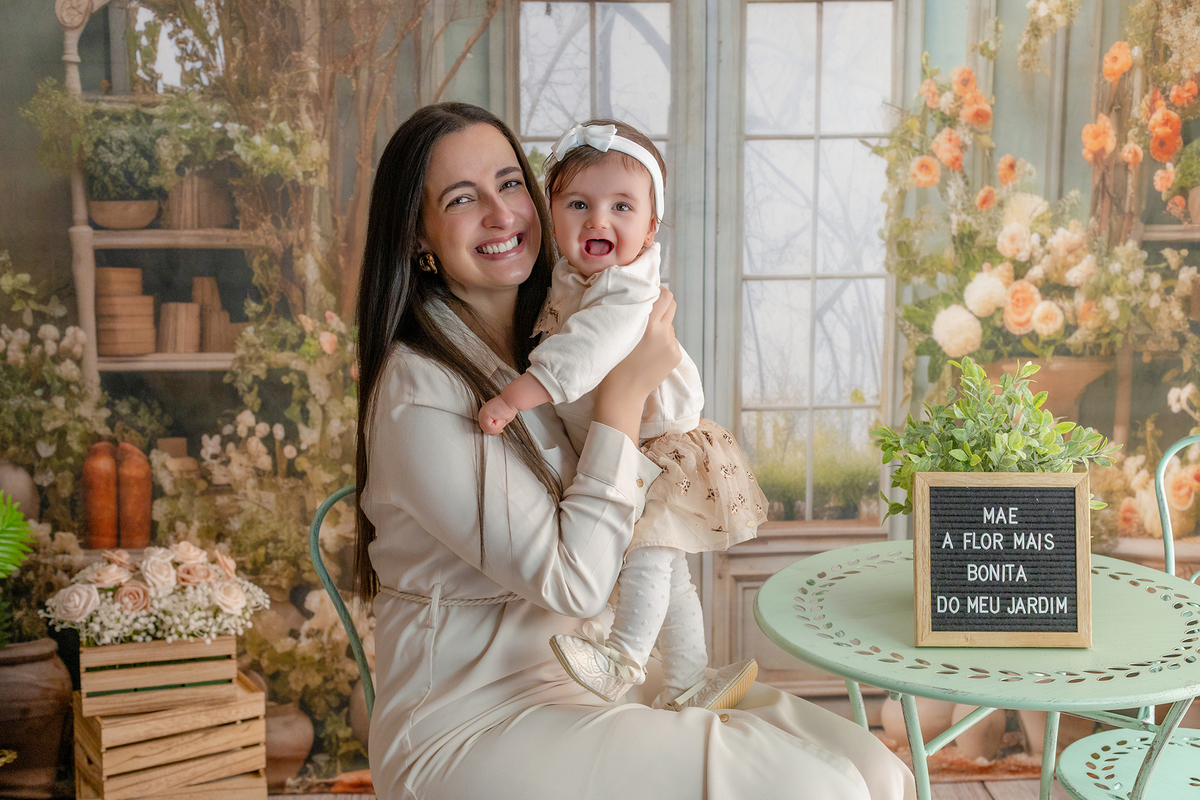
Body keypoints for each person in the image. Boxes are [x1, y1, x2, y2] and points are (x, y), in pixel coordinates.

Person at [354, 101, 916, 800]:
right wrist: (624, 395)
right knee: (814, 789)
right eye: (462, 199)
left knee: (878, 773)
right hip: (473, 720)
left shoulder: (559, 328)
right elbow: (578, 583)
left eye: (510, 184)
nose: (501, 215)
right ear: (419, 235)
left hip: (588, 671)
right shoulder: (421, 391)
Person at [477, 118, 765, 710]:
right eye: (578, 203)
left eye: (622, 206)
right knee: (669, 569)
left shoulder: (628, 288)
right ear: (550, 216)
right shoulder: (574, 275)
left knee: (645, 558)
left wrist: (513, 398)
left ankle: (625, 657)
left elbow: (584, 354)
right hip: (635, 441)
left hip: (658, 446)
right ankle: (689, 681)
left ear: (651, 226)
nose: (598, 220)